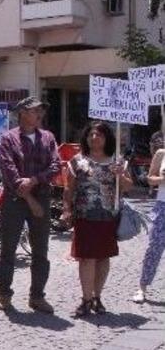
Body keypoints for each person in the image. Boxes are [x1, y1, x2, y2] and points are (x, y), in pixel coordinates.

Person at [0, 96, 61, 313]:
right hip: (15, 200)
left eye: (41, 110)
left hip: (41, 195)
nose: (39, 114)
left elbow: (55, 166)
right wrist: (30, 199)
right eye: (35, 110)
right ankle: (5, 294)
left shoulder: (48, 138)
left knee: (41, 250)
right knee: (8, 250)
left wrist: (34, 180)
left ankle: (37, 296)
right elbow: (9, 171)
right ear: (22, 112)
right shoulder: (8, 139)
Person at [61, 122, 132, 317]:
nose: (94, 138)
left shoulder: (118, 161)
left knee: (103, 257)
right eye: (91, 134)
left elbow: (127, 187)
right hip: (84, 216)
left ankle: (97, 297)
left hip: (108, 217)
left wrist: (120, 176)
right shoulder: (77, 161)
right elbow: (69, 188)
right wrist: (66, 209)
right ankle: (86, 299)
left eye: (99, 134)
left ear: (107, 138)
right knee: (86, 258)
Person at [137, 146, 165, 303]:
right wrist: (161, 180)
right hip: (163, 205)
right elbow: (149, 179)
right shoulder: (161, 154)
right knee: (154, 247)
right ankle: (142, 287)